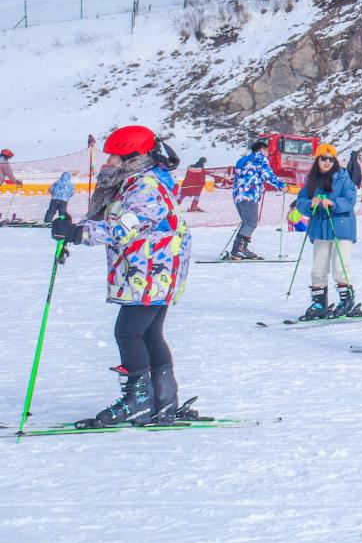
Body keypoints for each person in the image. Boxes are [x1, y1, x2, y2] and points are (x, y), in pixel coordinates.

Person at [48, 124, 196, 425]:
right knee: (149, 333)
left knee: (128, 333)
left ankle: (139, 400)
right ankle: (164, 399)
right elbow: (111, 217)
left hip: (152, 269)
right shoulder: (134, 183)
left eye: (114, 157)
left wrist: (78, 234)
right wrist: (72, 224)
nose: (107, 163)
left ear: (132, 158)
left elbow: (122, 229)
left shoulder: (145, 187)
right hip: (153, 268)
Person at [293, 144, 361, 319]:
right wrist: (310, 204)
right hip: (320, 229)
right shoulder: (311, 180)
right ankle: (319, 304)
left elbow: (350, 199)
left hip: (341, 227)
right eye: (324, 158)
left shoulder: (343, 178)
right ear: (317, 160)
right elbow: (301, 200)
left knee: (340, 267)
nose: (327, 162)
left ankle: (346, 301)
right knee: (318, 268)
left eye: (331, 159)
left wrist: (334, 203)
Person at [224, 139, 286, 260]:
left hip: (238, 195)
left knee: (247, 222)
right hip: (249, 194)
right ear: (262, 150)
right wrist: (281, 185)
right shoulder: (260, 158)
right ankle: (238, 251)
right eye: (267, 151)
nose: (268, 153)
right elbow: (267, 175)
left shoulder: (243, 160)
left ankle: (240, 249)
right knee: (251, 223)